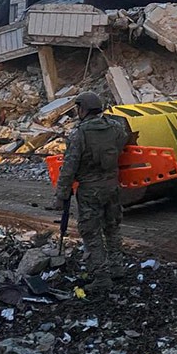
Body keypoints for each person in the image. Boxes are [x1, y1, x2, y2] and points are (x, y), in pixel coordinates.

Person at [52, 91, 128, 292]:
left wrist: (61, 195)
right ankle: (117, 267)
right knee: (112, 228)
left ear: (82, 110)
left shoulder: (79, 134)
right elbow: (123, 142)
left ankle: (102, 278)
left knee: (92, 233)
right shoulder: (115, 128)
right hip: (112, 187)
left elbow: (69, 167)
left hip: (90, 191)